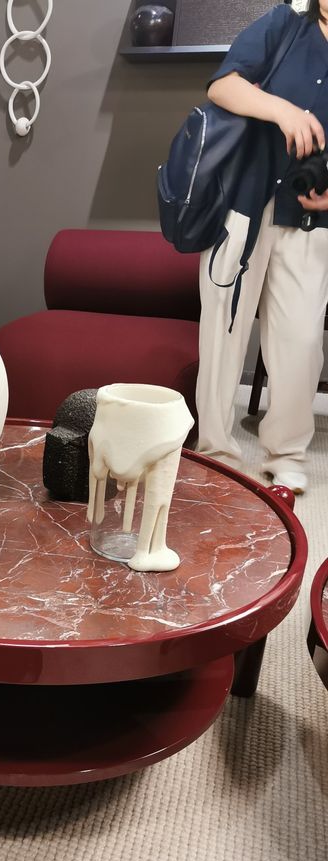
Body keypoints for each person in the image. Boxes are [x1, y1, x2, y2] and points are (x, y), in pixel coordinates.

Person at [196, 0, 328, 494]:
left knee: (302, 339)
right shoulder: (284, 27)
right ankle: (215, 448)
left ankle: (288, 452)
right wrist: (284, 111)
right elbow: (223, 84)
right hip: (244, 204)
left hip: (312, 219)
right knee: (223, 329)